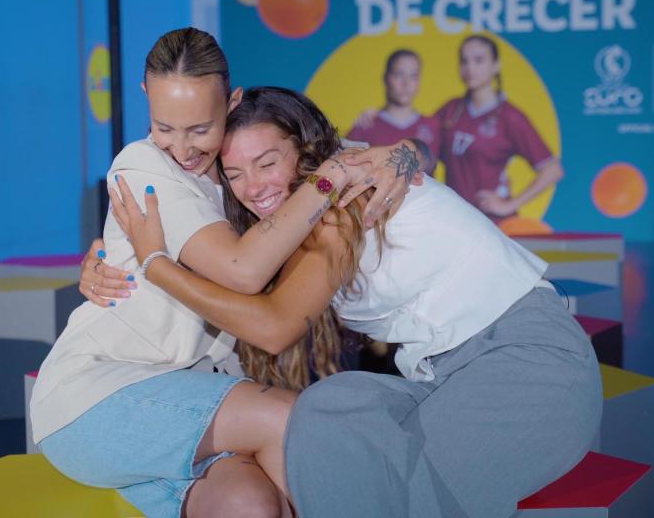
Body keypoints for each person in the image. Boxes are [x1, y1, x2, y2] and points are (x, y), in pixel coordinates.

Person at [110, 86, 603, 517]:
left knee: (418, 493)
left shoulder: (338, 195)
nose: (253, 187)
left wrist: (155, 262)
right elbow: (412, 152)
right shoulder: (305, 205)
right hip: (445, 375)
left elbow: (275, 327)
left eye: (267, 162)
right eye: (235, 174)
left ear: (305, 150)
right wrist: (107, 259)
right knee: (327, 411)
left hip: (529, 361)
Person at [30, 28, 424, 518]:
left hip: (192, 404)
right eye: (164, 126)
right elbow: (242, 270)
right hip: (97, 397)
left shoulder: (240, 167)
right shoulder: (142, 165)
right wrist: (335, 172)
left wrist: (403, 152)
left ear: (231, 103)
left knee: (251, 505)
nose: (182, 149)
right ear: (145, 99)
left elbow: (363, 155)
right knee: (289, 419)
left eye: (200, 129)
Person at [435, 34, 564, 224]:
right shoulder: (451, 110)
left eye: (479, 60)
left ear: (496, 65)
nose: (470, 68)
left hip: (495, 225)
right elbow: (419, 142)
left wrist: (509, 205)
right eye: (464, 61)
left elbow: (553, 170)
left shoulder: (509, 117)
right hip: (457, 221)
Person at [346, 49, 439, 174]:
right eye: (399, 75)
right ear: (386, 78)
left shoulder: (433, 126)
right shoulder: (366, 125)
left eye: (413, 76)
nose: (406, 83)